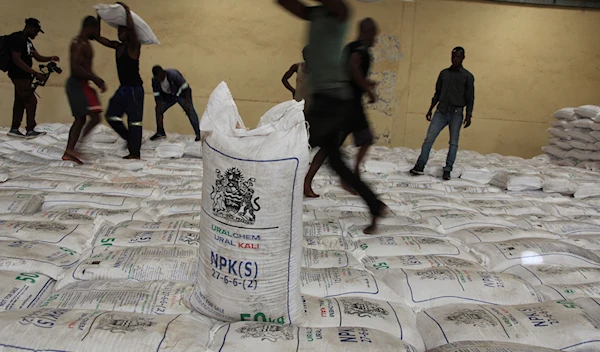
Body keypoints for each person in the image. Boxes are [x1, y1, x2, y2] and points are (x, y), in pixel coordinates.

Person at [277, 0, 388, 234]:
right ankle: (375, 206)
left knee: (293, 144)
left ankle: (272, 198)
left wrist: (367, 89)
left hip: (333, 99)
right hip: (325, 98)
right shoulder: (315, 13)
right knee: (336, 162)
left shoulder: (341, 12)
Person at [410, 47, 475, 181]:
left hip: (457, 112)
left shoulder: (467, 76)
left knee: (453, 143)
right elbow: (437, 93)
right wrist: (430, 109)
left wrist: (469, 115)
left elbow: (470, 98)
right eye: (453, 56)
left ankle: (447, 169)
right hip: (441, 111)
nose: (455, 59)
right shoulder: (444, 74)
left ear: (463, 58)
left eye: (457, 57)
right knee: (429, 139)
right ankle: (420, 165)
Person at [95, 2, 144, 159]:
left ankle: (134, 152)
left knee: (134, 122)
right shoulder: (118, 47)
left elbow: (133, 30)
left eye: (122, 31)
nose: (119, 34)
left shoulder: (134, 47)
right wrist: (99, 17)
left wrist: (127, 11)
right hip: (123, 89)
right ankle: (131, 139)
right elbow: (97, 38)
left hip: (134, 90)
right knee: (111, 115)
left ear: (128, 33)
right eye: (118, 32)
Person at [339, 18, 379, 193]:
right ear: (367, 32)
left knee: (331, 147)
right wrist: (368, 90)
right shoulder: (361, 49)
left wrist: (366, 83)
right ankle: (352, 176)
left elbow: (349, 72)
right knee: (367, 139)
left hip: (342, 100)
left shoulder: (349, 47)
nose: (375, 39)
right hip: (351, 104)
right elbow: (353, 66)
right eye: (374, 34)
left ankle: (307, 180)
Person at [62, 16, 107, 165]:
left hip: (79, 84)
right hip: (78, 84)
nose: (97, 33)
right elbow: (76, 68)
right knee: (94, 117)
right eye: (95, 29)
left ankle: (70, 151)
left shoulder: (81, 42)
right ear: (89, 28)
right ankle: (74, 148)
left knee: (82, 118)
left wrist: (100, 17)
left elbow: (81, 66)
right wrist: (95, 79)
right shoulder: (81, 44)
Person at [7, 18, 59, 138]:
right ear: (29, 27)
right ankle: (30, 130)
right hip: (19, 75)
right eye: (36, 31)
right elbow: (16, 59)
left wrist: (51, 58)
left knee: (19, 102)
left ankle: (14, 128)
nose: (36, 33)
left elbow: (38, 57)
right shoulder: (17, 38)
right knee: (31, 101)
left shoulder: (27, 41)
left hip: (25, 76)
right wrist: (35, 73)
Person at [150, 65, 200, 141]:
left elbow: (187, 89)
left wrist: (187, 103)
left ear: (162, 73)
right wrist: (160, 113)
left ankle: (199, 133)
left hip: (181, 95)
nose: (159, 80)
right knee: (158, 110)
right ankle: (160, 132)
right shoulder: (155, 80)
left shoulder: (173, 75)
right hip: (168, 97)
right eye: (157, 78)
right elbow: (157, 97)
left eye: (160, 77)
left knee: (190, 111)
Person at [281, 45, 311, 111]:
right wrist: (293, 91)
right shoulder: (297, 67)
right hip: (298, 99)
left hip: (311, 100)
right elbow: (284, 79)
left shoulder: (318, 68)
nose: (306, 56)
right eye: (304, 54)